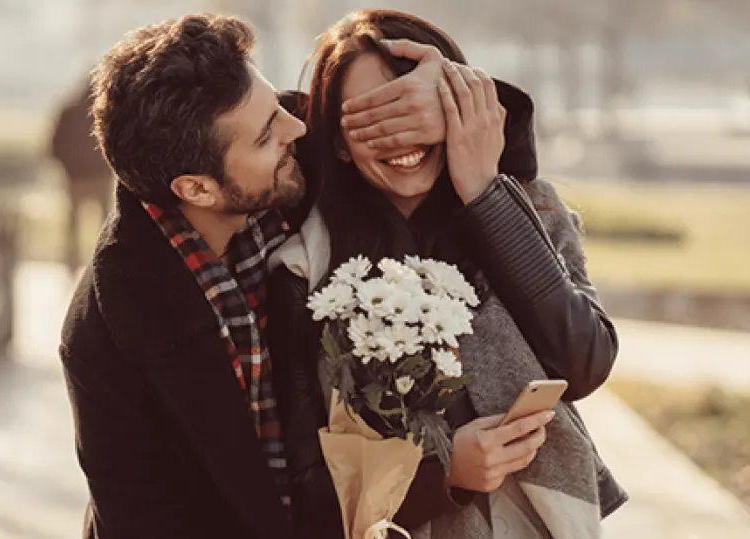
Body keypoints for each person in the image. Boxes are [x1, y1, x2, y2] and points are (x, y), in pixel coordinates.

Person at [58, 13, 463, 538]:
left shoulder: (290, 161)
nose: (298, 128)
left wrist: (446, 96)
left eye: (277, 106)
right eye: (268, 135)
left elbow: (496, 139)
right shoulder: (104, 334)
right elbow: (140, 520)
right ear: (198, 190)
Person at [267, 10, 625, 538]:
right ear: (338, 141)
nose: (399, 136)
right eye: (371, 118)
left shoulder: (528, 210)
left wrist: (483, 189)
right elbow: (304, 484)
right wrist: (441, 474)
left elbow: (586, 359)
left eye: (414, 108)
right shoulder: (302, 265)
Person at [50, 86, 115, 271]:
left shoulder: (69, 111)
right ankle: (103, 263)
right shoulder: (103, 112)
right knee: (105, 223)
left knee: (74, 223)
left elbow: (55, 144)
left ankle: (72, 262)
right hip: (97, 176)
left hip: (76, 177)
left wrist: (68, 167)